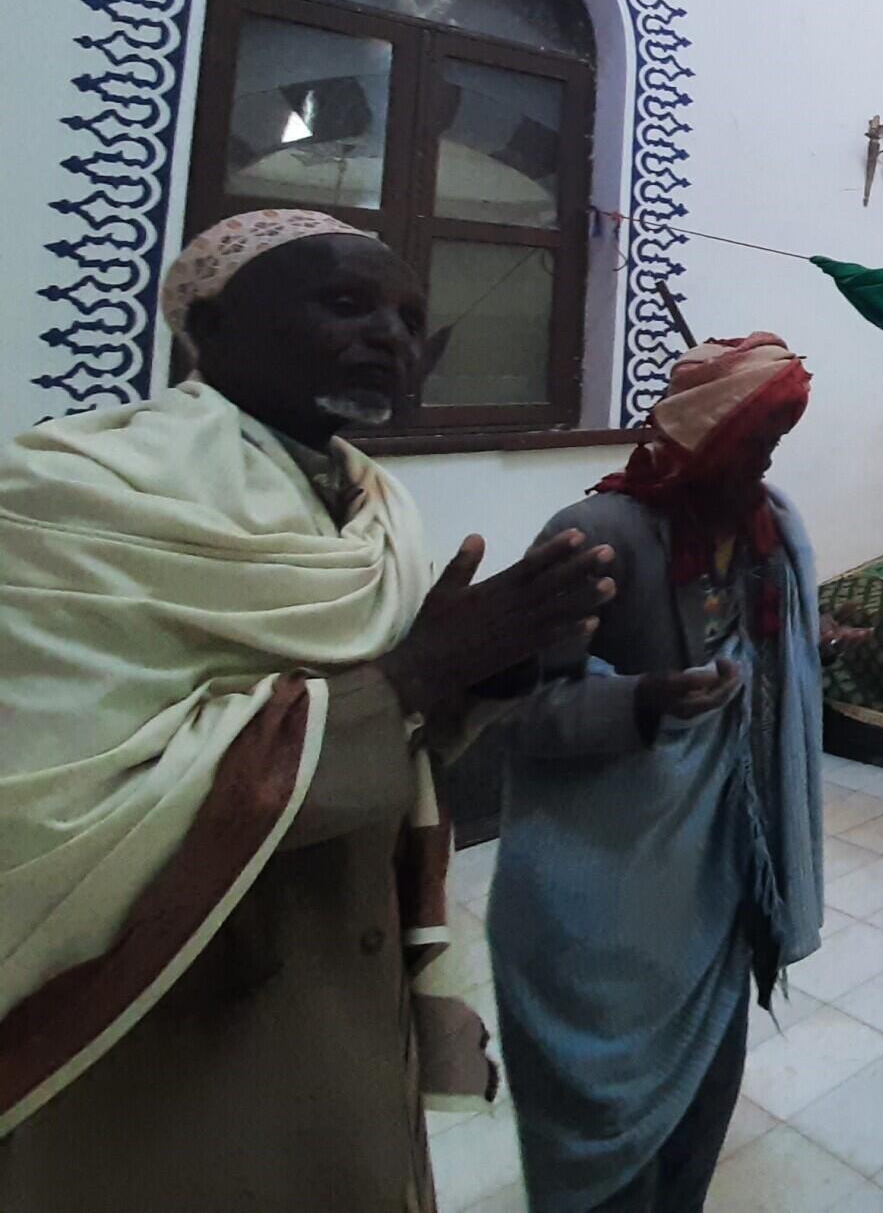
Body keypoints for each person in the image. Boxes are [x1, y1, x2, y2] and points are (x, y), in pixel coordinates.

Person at [0, 208, 616, 1213]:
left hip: (341, 973)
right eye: (345, 302)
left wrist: (486, 673)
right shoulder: (71, 493)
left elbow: (394, 732)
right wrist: (420, 674)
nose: (392, 336)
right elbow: (60, 803)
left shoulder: (376, 505)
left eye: (411, 320)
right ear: (209, 322)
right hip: (159, 1014)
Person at [488, 331, 865, 1213]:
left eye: (773, 448)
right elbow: (522, 711)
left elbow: (763, 666)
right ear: (698, 439)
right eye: (750, 446)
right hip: (611, 903)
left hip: (721, 883)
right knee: (607, 1147)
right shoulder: (597, 534)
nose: (765, 465)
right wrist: (645, 702)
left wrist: (812, 648)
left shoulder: (769, 532)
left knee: (700, 1118)